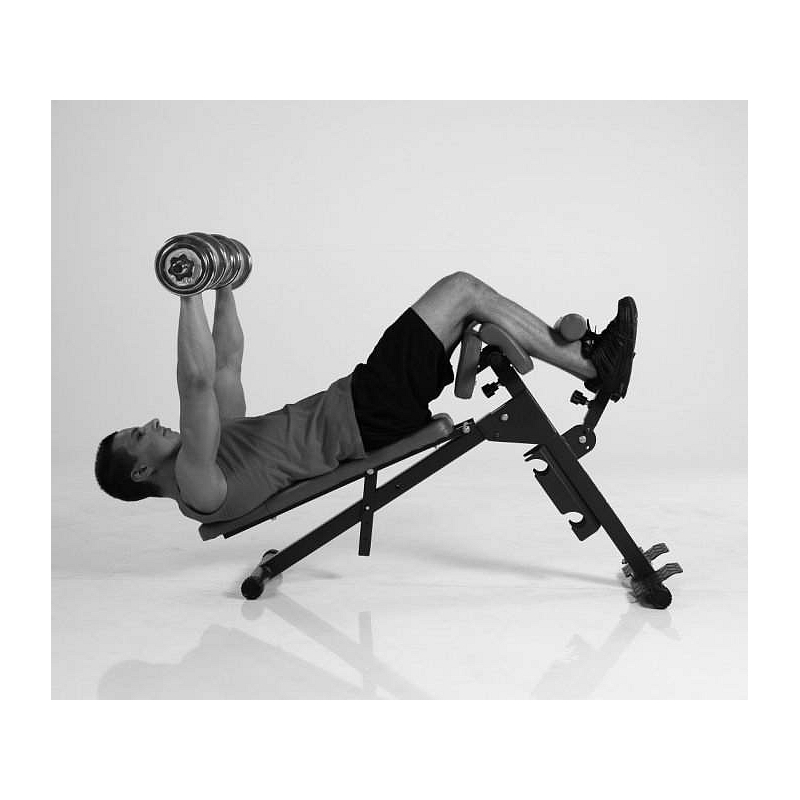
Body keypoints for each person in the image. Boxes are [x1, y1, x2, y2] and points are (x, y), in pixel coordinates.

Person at [94, 272, 637, 523]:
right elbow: (193, 384)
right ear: (141, 472)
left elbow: (223, 365)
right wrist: (185, 294)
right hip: (366, 414)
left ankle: (586, 360)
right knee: (462, 290)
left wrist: (221, 283)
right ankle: (593, 365)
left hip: (365, 403)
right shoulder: (199, 486)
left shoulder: (217, 448)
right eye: (139, 435)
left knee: (469, 303)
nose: (151, 423)